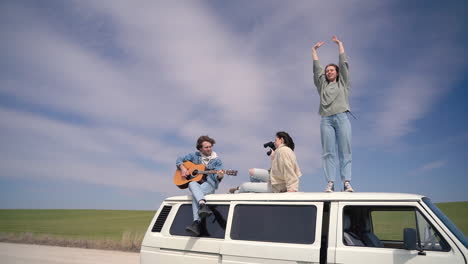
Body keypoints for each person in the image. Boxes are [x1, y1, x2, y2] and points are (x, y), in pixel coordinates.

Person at [312, 35, 354, 192]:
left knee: (345, 151)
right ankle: (330, 182)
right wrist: (314, 50)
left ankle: (346, 182)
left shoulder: (343, 83)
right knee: (328, 152)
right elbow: (317, 69)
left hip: (342, 117)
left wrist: (340, 44)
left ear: (337, 73)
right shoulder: (322, 86)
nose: (329, 72)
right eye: (327, 70)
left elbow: (343, 64)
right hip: (326, 120)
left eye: (331, 70)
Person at [176, 135, 225, 236]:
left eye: (210, 146)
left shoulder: (217, 161)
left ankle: (196, 222)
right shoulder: (195, 156)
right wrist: (183, 168)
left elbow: (217, 178)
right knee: (192, 183)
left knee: (196, 195)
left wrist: (219, 176)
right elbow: (179, 159)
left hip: (210, 184)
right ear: (200, 149)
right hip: (197, 185)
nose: (209, 149)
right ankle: (202, 205)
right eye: (206, 147)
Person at [229, 131, 302, 193]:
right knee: (252, 172)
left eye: (276, 140)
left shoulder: (284, 151)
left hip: (278, 186)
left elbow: (289, 170)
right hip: (276, 178)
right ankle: (254, 191)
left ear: (281, 140)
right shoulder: (280, 151)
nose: (274, 142)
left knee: (244, 186)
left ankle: (238, 191)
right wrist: (273, 157)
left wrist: (292, 189)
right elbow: (277, 169)